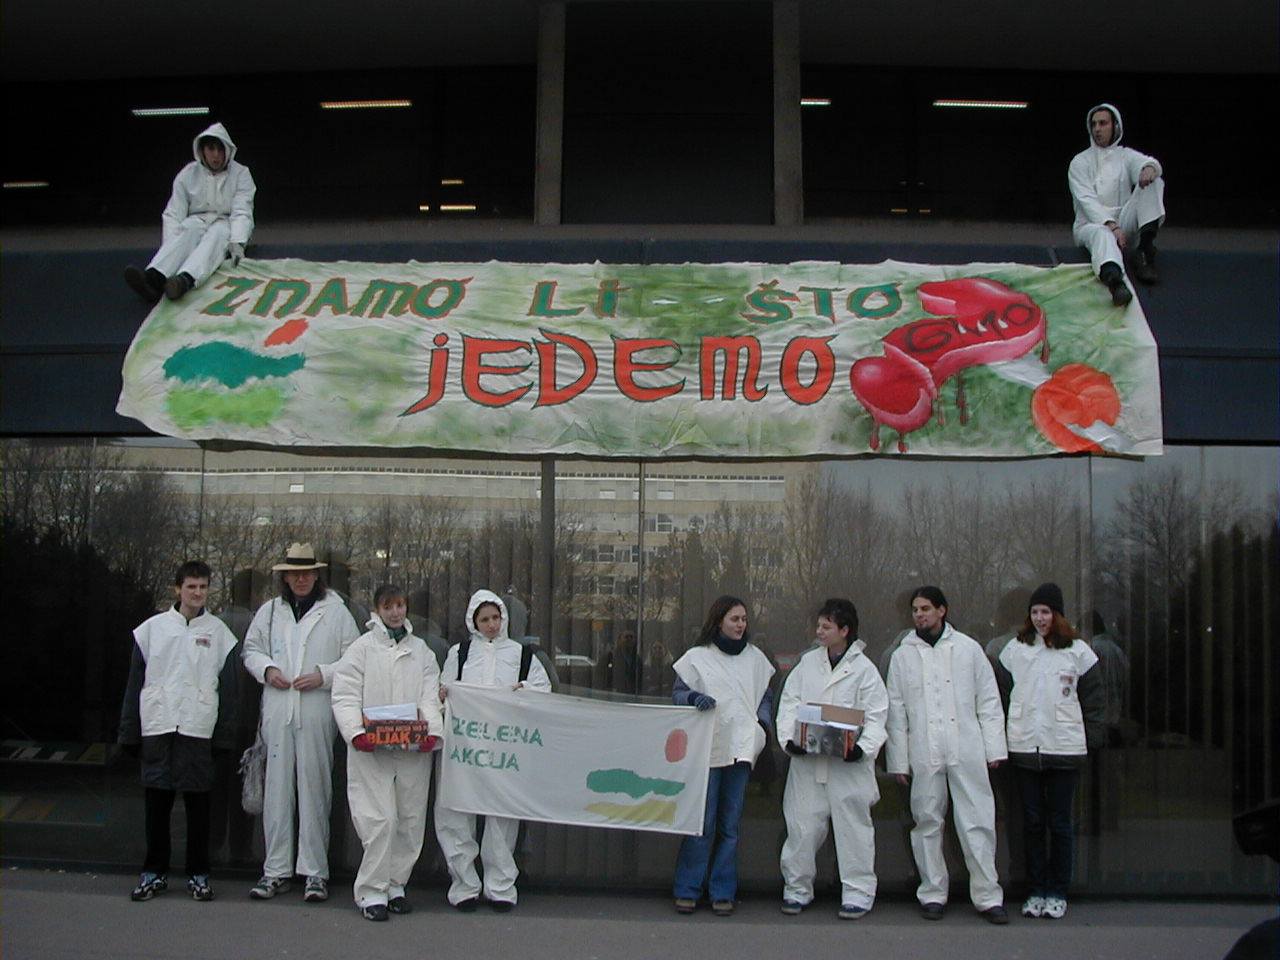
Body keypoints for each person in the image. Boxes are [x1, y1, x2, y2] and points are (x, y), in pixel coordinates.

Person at [241, 543, 360, 904]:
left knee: (314, 789)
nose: (301, 578)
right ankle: (275, 870)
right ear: (286, 577)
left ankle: (314, 873)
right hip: (278, 709)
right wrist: (268, 670)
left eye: (307, 572)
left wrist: (322, 676)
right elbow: (251, 650)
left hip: (316, 711)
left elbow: (354, 659)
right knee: (277, 790)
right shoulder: (271, 612)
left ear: (316, 575)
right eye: (295, 573)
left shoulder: (337, 612)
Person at [885, 586, 1010, 923]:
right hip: (924, 748)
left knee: (977, 821)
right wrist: (898, 760)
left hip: (966, 745)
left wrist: (994, 747)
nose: (919, 615)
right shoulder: (902, 655)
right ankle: (932, 891)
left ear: (942, 610)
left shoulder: (968, 650)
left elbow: (989, 702)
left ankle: (987, 895)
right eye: (914, 610)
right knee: (926, 819)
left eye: (925, 608)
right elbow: (896, 713)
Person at [118, 560, 239, 902]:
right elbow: (134, 684)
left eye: (203, 587)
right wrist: (129, 731)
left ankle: (198, 874)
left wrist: (224, 736)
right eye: (191, 587)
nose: (197, 593)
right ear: (178, 589)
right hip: (158, 725)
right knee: (157, 804)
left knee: (199, 807)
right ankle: (153, 872)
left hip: (198, 729)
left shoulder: (220, 635)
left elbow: (229, 692)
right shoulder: (151, 630)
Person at [331, 584, 443, 921]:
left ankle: (396, 884)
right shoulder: (362, 649)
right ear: (377, 610)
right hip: (372, 750)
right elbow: (345, 693)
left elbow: (429, 694)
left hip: (410, 749)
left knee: (409, 818)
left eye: (400, 605)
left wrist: (432, 730)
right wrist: (354, 732)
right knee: (378, 819)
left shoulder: (421, 650)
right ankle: (370, 891)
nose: (395, 612)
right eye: (388, 606)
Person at [434, 589, 551, 911]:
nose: (491, 624)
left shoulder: (522, 655)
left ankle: (500, 886)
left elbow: (543, 690)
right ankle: (464, 886)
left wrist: (523, 689)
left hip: (504, 748)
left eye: (495, 618)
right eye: (484, 619)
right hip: (464, 747)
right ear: (473, 621)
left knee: (502, 816)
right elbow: (443, 692)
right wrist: (445, 696)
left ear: (504, 619)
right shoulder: (459, 654)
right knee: (456, 813)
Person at [995, 583, 1104, 920]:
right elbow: (999, 696)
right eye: (1035, 612)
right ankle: (1035, 889)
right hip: (1025, 748)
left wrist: (1091, 739)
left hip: (1064, 750)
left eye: (1046, 612)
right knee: (1031, 822)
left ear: (1058, 615)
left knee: (1060, 824)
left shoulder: (1078, 652)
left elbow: (1096, 701)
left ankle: (1058, 890)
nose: (1040, 618)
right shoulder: (1016, 650)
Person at [776, 598, 887, 920]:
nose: (819, 632)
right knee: (802, 828)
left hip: (847, 769)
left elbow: (878, 716)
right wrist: (789, 740)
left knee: (854, 830)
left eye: (827, 627)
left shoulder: (865, 671)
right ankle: (796, 888)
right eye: (818, 626)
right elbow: (789, 704)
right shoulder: (807, 663)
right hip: (808, 765)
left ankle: (858, 892)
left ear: (845, 630)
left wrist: (863, 748)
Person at [670, 595, 775, 917]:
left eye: (744, 619)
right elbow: (677, 694)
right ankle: (688, 888)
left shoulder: (757, 659)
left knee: (730, 825)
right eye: (734, 619)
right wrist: (693, 697)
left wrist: (761, 726)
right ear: (719, 621)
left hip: (741, 748)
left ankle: (722, 890)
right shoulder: (697, 658)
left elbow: (765, 698)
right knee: (702, 821)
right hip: (707, 747)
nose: (741, 624)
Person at [124, 122, 256, 304]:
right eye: (211, 149)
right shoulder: (187, 174)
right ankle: (153, 278)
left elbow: (242, 209)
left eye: (220, 149)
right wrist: (171, 243)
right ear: (202, 150)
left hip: (226, 223)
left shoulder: (241, 174)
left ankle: (184, 280)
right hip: (198, 220)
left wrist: (238, 243)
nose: (216, 155)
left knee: (216, 237)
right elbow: (174, 212)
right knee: (187, 229)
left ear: (227, 150)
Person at [1068, 102, 1166, 307]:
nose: (1097, 129)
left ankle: (1144, 249)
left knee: (1154, 181)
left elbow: (1149, 162)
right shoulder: (1080, 161)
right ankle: (1115, 282)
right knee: (1103, 236)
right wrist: (1111, 226)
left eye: (1103, 123)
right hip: (1092, 225)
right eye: (1094, 124)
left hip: (1124, 223)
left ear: (1115, 126)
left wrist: (1148, 168)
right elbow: (1086, 200)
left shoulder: (1125, 155)